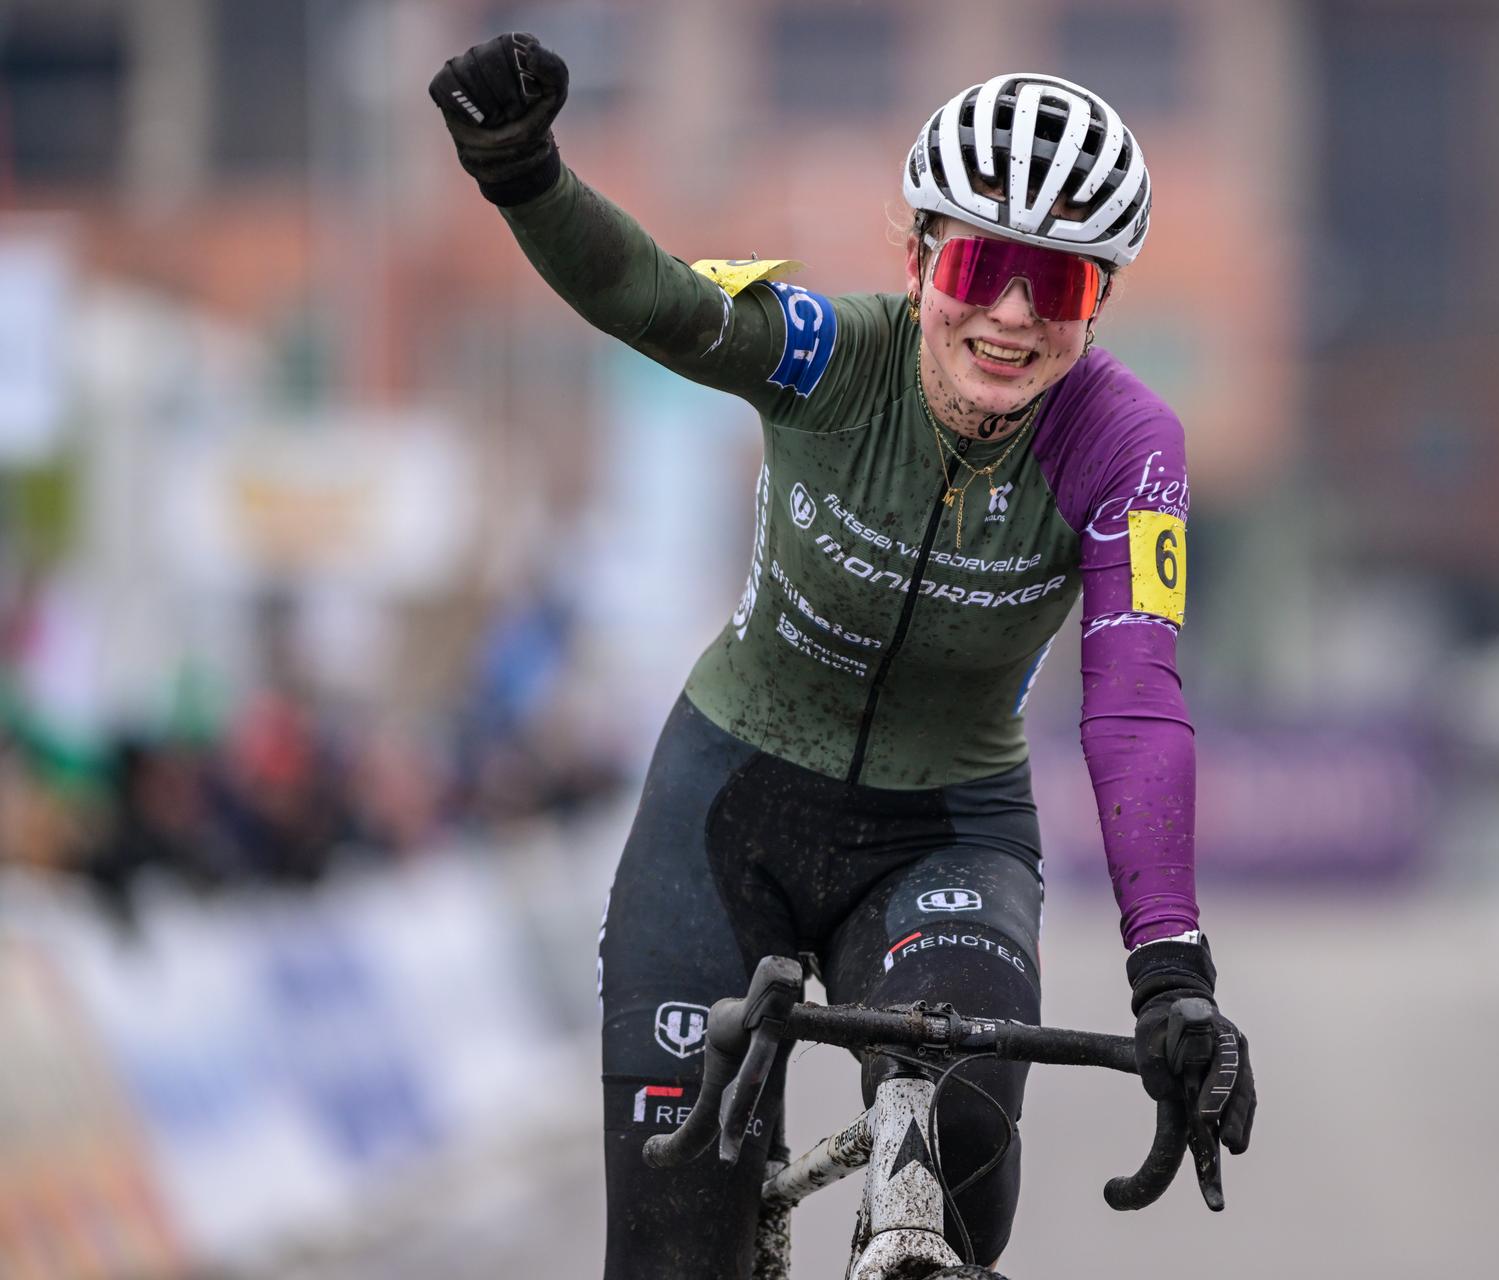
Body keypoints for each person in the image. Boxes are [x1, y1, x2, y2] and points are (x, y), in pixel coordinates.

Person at [430, 33, 1256, 1278]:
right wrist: (522, 172)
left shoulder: (1126, 444)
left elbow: (1135, 696)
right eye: (980, 264)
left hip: (947, 834)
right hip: (728, 805)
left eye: (1059, 284)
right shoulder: (829, 354)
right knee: (671, 1247)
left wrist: (1172, 971)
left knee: (964, 1133)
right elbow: (652, 296)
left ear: (1101, 300)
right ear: (917, 255)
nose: (1012, 315)